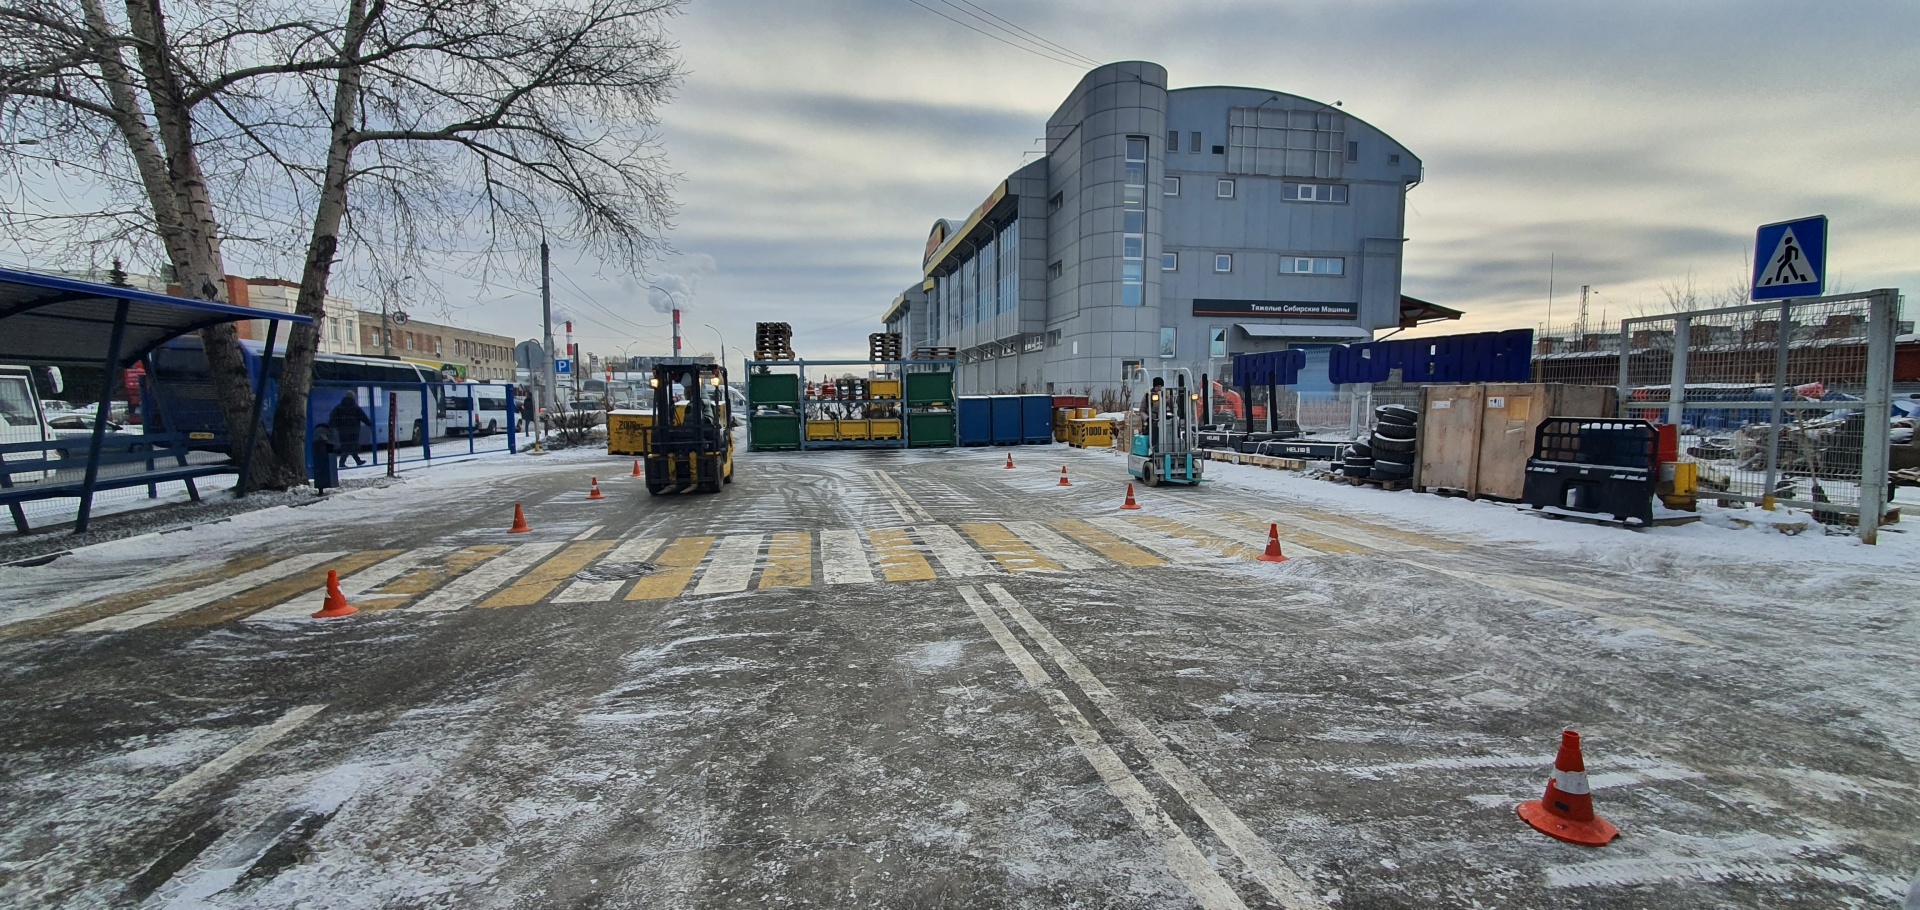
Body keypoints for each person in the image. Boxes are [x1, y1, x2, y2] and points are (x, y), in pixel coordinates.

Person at [328, 392, 374, 467]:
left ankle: (357, 460)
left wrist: (335, 427)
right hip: (354, 430)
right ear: (353, 398)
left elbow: (333, 418)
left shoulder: (339, 407)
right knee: (350, 446)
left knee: (348, 445)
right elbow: (363, 417)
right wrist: (369, 424)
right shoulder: (356, 408)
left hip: (342, 431)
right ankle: (342, 462)